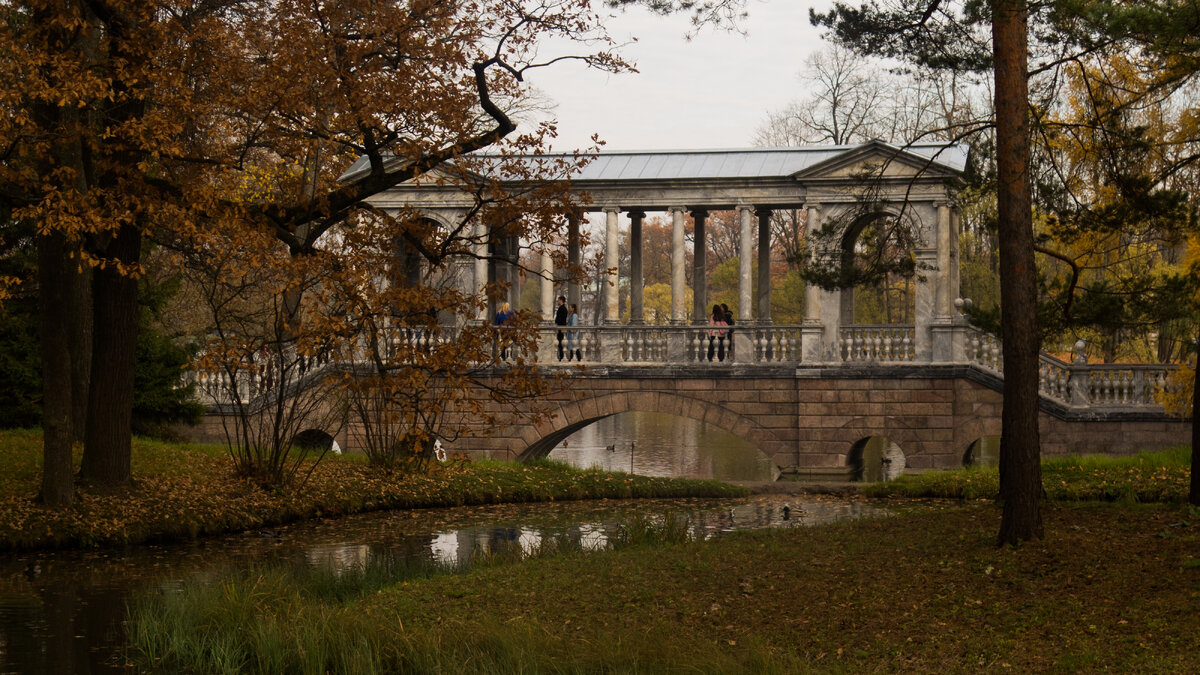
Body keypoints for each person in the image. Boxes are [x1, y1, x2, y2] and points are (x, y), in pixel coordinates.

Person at [554, 295, 568, 360]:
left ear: (561, 301)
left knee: (560, 342)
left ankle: (561, 356)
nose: (557, 301)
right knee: (560, 343)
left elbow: (561, 318)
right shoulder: (563, 308)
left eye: (558, 300)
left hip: (561, 327)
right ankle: (561, 356)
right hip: (561, 327)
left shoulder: (562, 308)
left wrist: (557, 323)